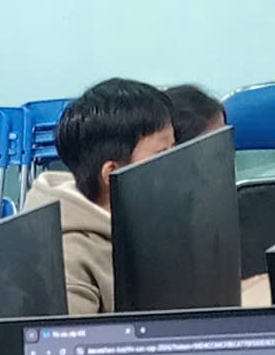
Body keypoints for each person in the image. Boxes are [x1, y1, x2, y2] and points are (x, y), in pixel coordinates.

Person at [22, 78, 172, 316]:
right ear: (112, 174)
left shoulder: (152, 218)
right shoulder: (66, 261)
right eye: (162, 154)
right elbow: (70, 339)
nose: (175, 164)